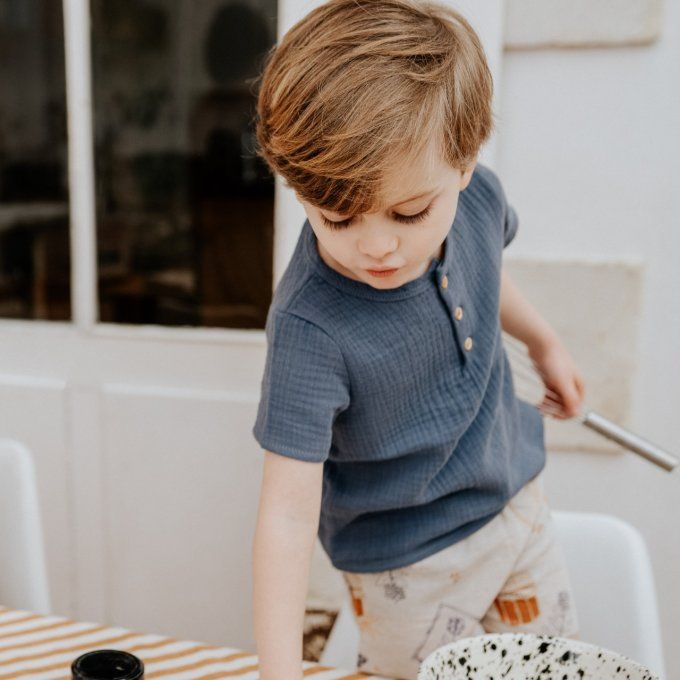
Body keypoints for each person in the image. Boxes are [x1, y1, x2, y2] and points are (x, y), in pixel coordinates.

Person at [250, 1, 585, 678]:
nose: (376, 247)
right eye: (335, 218)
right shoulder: (309, 326)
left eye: (409, 213)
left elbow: (490, 272)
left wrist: (544, 342)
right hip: (407, 564)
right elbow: (286, 517)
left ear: (464, 164)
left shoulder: (479, 200)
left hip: (517, 503)